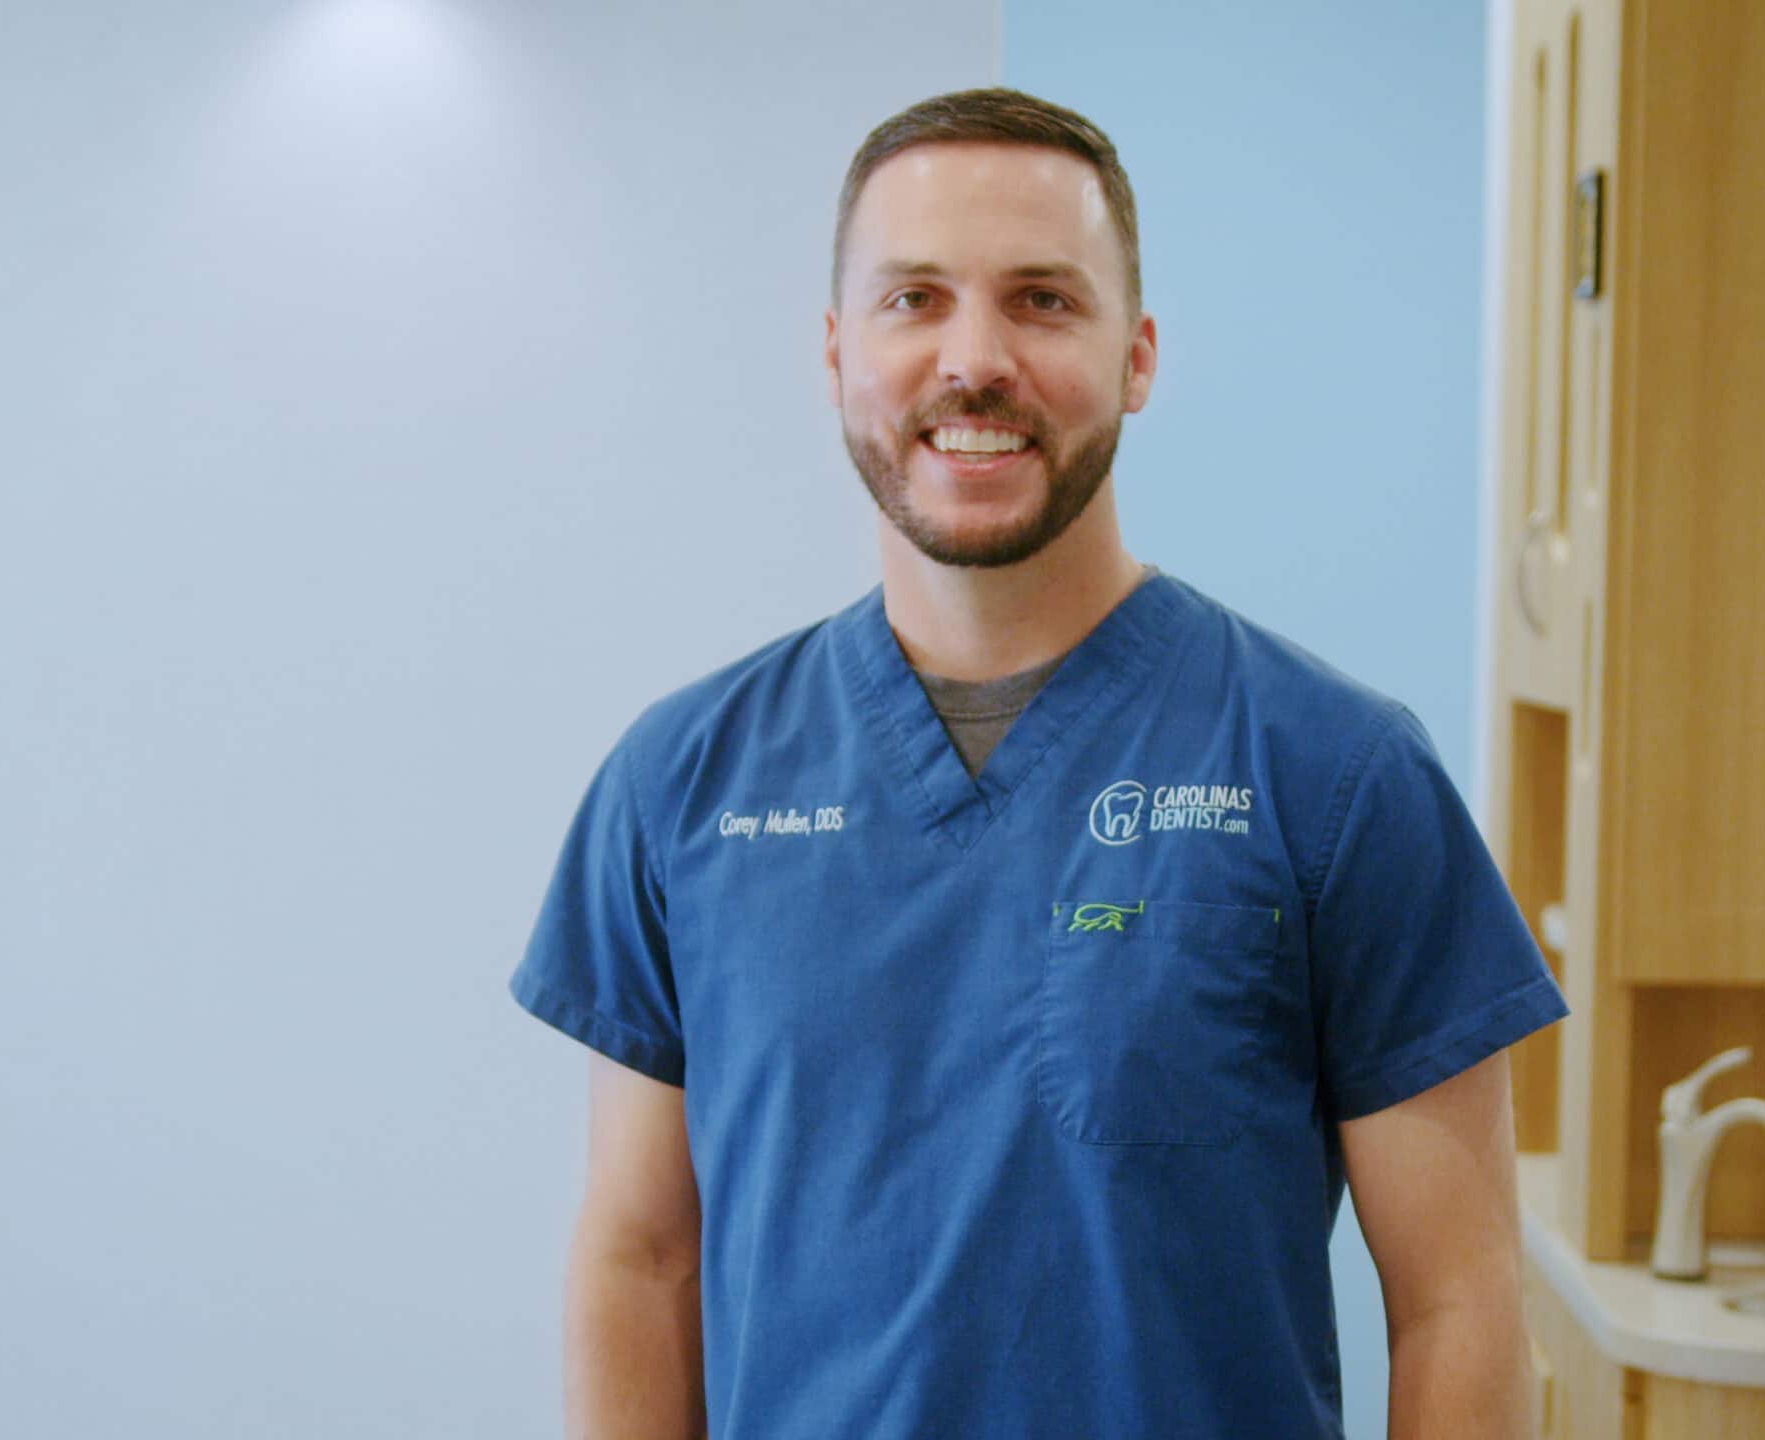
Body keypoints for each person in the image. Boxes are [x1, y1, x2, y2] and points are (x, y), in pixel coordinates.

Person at [512, 86, 1569, 1439]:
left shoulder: (1338, 775)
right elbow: (639, 1259)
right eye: (914, 301)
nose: (975, 359)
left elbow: (1461, 1303)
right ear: (838, 352)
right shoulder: (682, 787)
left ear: (1137, 356)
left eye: (1042, 300)